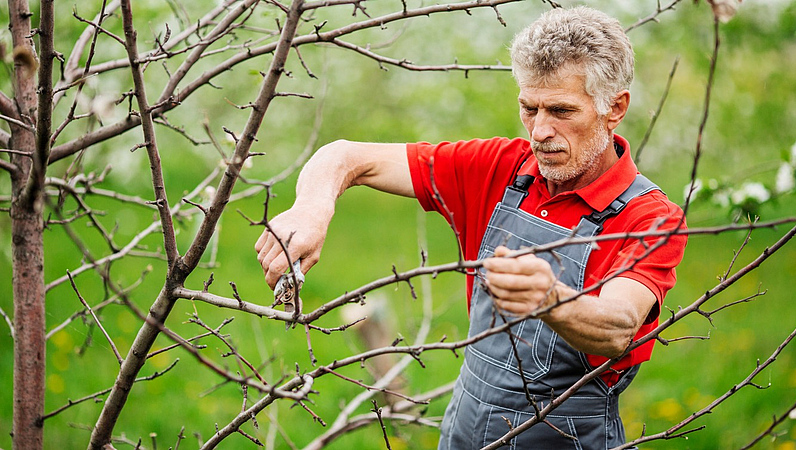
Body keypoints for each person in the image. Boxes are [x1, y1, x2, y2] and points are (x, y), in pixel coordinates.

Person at [255, 6, 687, 449]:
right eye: (528, 107)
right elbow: (345, 155)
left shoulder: (650, 218)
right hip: (464, 432)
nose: (539, 131)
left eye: (560, 110)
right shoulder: (500, 169)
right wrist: (311, 207)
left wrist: (551, 299)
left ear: (614, 107)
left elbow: (618, 327)